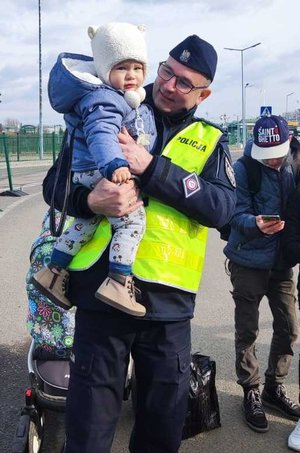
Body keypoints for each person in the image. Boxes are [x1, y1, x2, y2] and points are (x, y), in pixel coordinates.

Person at [42, 34, 236, 453]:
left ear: (205, 93)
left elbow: (222, 210)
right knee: (88, 432)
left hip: (168, 308)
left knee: (160, 432)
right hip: (100, 298)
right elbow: (54, 185)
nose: (168, 85)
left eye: (184, 82)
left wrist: (151, 168)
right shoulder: (106, 103)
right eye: (167, 71)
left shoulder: (210, 139)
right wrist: (89, 199)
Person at [32, 22, 157, 317]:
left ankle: (53, 272)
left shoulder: (114, 98)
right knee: (131, 223)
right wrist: (115, 165)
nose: (131, 75)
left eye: (137, 68)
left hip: (87, 171)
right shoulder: (105, 99)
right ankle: (118, 281)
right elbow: (101, 134)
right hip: (100, 168)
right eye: (122, 68)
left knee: (85, 223)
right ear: (104, 71)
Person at [224, 114, 300, 434]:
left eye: (279, 153)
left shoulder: (292, 164)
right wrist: (254, 223)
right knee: (248, 331)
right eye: (267, 154)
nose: (274, 160)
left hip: (281, 263)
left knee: (289, 327)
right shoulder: (244, 168)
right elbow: (233, 214)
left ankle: (274, 387)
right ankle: (251, 390)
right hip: (248, 261)